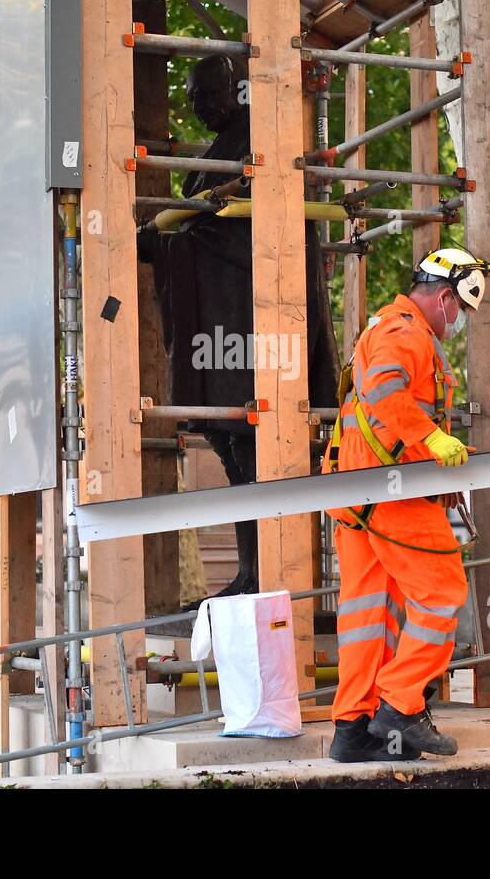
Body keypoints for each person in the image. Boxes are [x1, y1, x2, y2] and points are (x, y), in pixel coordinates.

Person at [138, 56, 339, 603]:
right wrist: (165, 237)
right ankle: (253, 572)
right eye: (194, 98)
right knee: (234, 456)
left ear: (237, 91)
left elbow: (241, 233)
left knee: (255, 457)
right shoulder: (220, 149)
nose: (198, 108)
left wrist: (169, 238)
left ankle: (268, 573)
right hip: (224, 336)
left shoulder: (257, 141)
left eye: (206, 96)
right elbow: (201, 220)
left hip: (250, 333)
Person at [323, 247, 490, 762]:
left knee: (367, 613)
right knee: (442, 592)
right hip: (391, 493)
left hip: (360, 494)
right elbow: (381, 392)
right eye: (461, 310)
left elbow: (378, 412)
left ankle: (355, 728)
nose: (459, 321)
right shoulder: (406, 332)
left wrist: (432, 449)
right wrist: (432, 440)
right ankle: (399, 703)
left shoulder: (385, 327)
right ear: (444, 297)